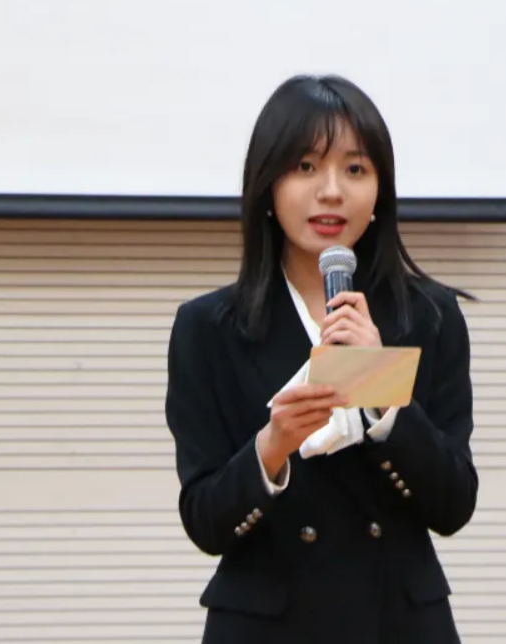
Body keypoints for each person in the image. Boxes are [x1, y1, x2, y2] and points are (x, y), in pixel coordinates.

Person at [164, 74, 478, 643]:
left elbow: (454, 505)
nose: (332, 192)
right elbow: (205, 522)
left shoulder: (429, 316)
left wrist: (384, 393)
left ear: (380, 190)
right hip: (269, 626)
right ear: (267, 185)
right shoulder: (207, 327)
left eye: (355, 169)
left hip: (397, 620)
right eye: (306, 166)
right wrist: (271, 447)